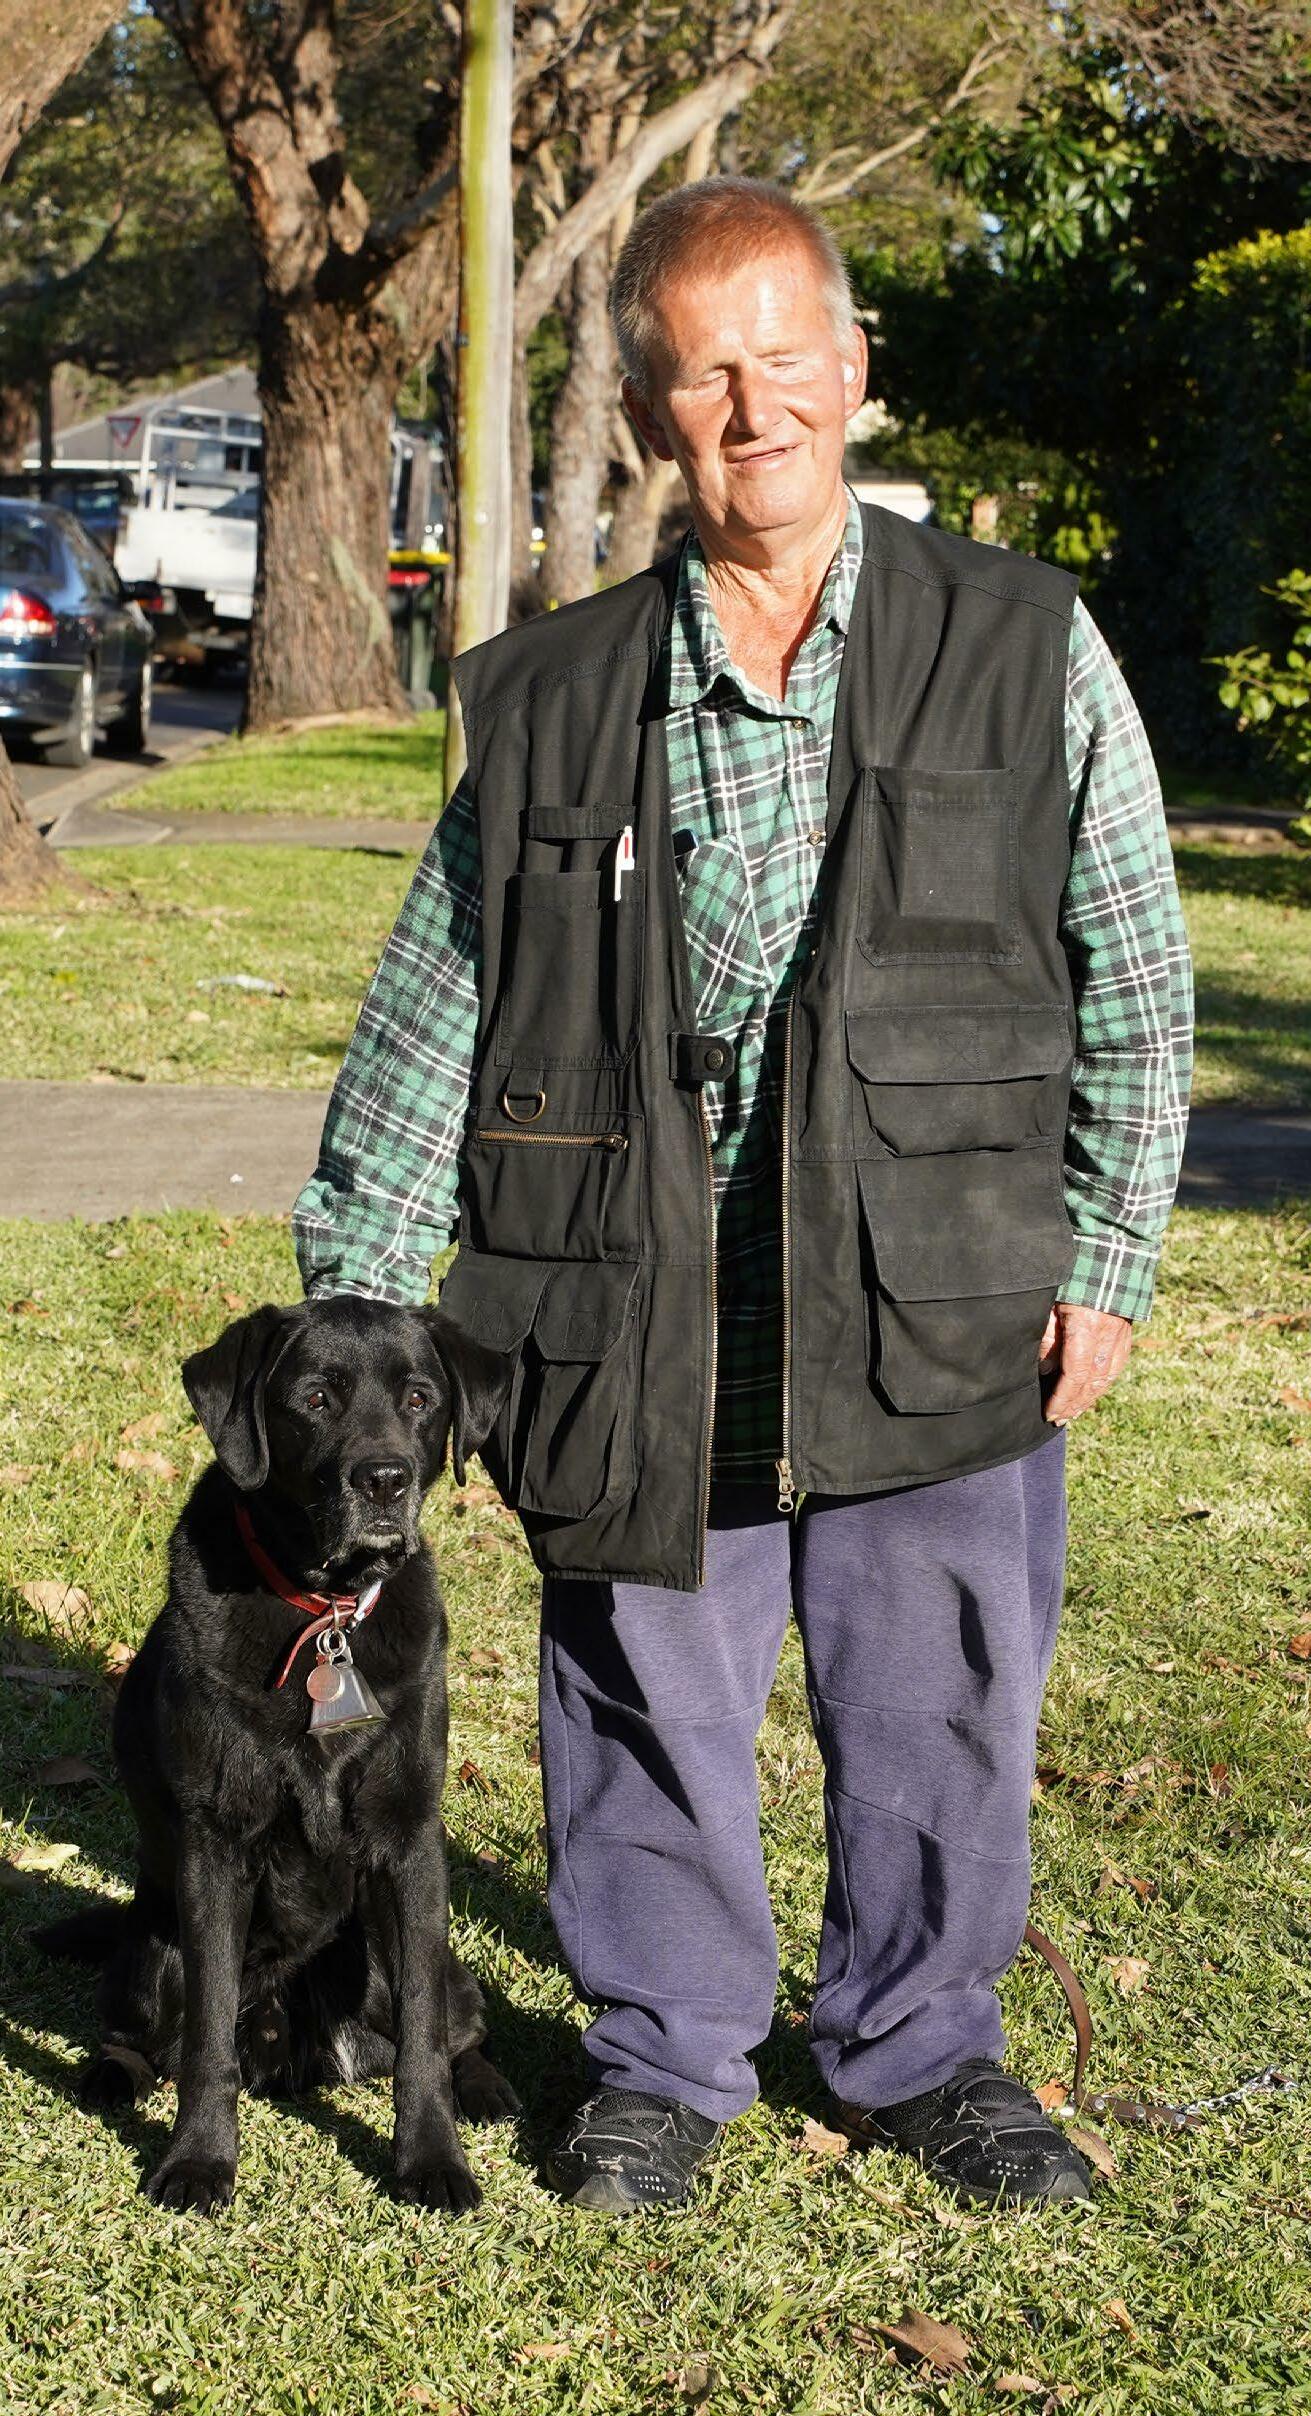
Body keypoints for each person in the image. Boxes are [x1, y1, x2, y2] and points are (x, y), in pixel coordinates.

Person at [293, 178, 1193, 2214]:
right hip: (632, 1294)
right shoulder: (549, 696)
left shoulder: (1025, 642)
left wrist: (1110, 1253)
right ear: (645, 416)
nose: (754, 405)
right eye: (704, 372)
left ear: (855, 373)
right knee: (638, 1686)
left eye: (787, 357)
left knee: (942, 1690)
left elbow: (1136, 974)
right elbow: (437, 1003)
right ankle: (661, 2057)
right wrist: (358, 1290)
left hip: (940, 1287)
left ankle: (923, 2047)